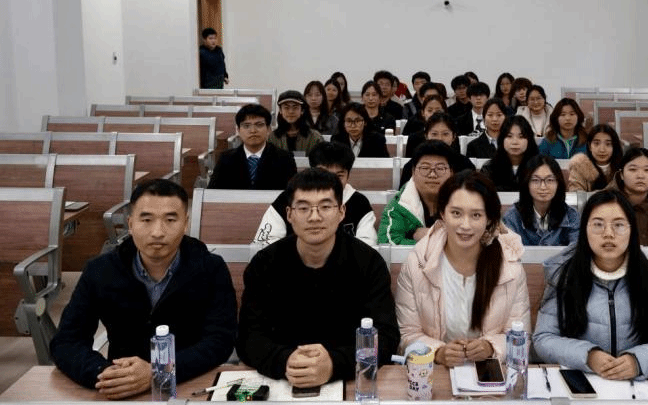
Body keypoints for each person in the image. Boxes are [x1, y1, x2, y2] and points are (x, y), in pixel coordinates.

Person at [50, 179, 237, 397]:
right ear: (130, 224)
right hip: (121, 389)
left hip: (187, 384)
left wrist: (159, 371)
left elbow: (220, 341)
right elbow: (66, 341)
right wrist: (104, 373)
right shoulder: (100, 271)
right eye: (146, 220)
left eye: (170, 220)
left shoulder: (211, 268)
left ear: (185, 224)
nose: (157, 232)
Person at [237, 168, 399, 386]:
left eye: (325, 206)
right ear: (289, 214)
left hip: (349, 382)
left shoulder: (368, 263)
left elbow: (386, 337)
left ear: (341, 212)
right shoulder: (264, 264)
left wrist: (334, 364)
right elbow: (248, 336)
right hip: (281, 380)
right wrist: (284, 360)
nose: (314, 217)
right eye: (303, 208)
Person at [533, 190, 648, 380]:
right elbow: (544, 338)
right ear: (584, 230)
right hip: (583, 383)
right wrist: (588, 356)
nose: (608, 234)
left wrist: (638, 361)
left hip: (639, 385)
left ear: (632, 230)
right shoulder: (564, 276)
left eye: (618, 225)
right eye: (598, 225)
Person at [395, 171, 530, 363]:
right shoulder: (417, 263)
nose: (465, 225)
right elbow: (407, 334)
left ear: (489, 219)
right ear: (443, 213)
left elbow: (521, 336)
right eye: (456, 213)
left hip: (487, 372)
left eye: (476, 215)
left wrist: (491, 347)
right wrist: (437, 353)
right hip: (434, 372)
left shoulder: (510, 267)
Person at [253, 142, 377, 248]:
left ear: (348, 175)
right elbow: (265, 243)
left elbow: (367, 247)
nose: (331, 182)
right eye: (324, 173)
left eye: (339, 176)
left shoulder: (359, 203)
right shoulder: (288, 198)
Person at [378, 141, 455, 245]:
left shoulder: (464, 201)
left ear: (451, 173)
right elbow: (387, 242)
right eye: (425, 168)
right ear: (413, 172)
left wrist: (428, 235)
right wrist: (433, 240)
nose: (432, 175)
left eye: (440, 168)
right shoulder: (400, 206)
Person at [208, 103, 297, 190]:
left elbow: (293, 194)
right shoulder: (226, 159)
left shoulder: (285, 158)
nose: (253, 130)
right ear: (238, 130)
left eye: (259, 125)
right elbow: (212, 193)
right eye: (246, 126)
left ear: (269, 129)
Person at [502, 155, 580, 246]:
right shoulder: (512, 217)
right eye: (535, 180)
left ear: (558, 183)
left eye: (550, 180)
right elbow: (509, 251)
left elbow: (575, 250)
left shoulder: (571, 215)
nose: (543, 187)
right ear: (526, 183)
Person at [400, 113, 474, 186]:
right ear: (426, 136)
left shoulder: (465, 164)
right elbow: (404, 191)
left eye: (445, 134)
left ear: (454, 137)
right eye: (434, 134)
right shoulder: (414, 163)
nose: (440, 138)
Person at [480, 115, 539, 191]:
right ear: (502, 139)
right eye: (509, 136)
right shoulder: (489, 168)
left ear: (529, 140)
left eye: (521, 137)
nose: (515, 142)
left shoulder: (539, 167)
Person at [568, 124, 624, 191]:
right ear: (589, 146)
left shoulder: (623, 167)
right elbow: (575, 192)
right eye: (596, 143)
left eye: (608, 144)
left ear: (614, 147)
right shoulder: (579, 165)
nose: (602, 150)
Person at [268, 90, 323, 156]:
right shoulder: (272, 138)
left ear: (302, 110)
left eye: (295, 107)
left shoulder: (314, 137)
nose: (291, 111)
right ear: (280, 110)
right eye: (286, 107)